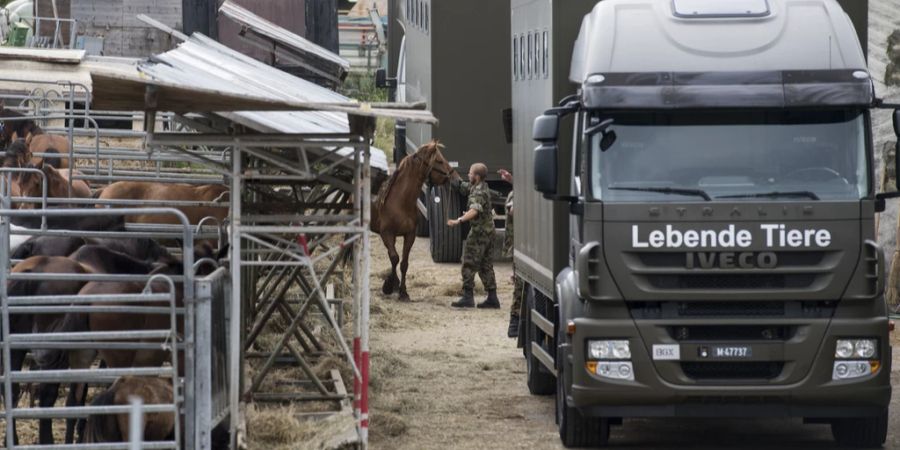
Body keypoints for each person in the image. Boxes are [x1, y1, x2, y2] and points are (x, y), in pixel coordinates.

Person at [447, 162, 499, 308]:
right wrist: (452, 177)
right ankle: (493, 298)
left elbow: (475, 210)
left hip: (479, 234)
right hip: (489, 232)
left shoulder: (478, 192)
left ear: (476, 176)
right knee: (485, 265)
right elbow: (464, 186)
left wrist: (459, 220)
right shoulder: (481, 186)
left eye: (470, 173)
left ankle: (468, 297)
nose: (468, 175)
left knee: (468, 264)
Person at [498, 169, 524, 338]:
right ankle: (514, 322)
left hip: (520, 246)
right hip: (518, 246)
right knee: (519, 286)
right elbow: (513, 211)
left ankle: (515, 323)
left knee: (519, 284)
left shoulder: (519, 193)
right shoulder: (517, 194)